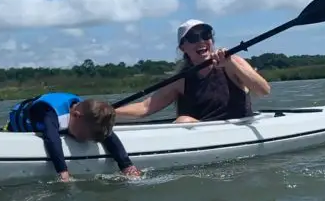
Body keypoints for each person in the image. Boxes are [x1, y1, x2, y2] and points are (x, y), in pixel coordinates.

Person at [115, 19, 271, 123]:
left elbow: (264, 90)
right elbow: (145, 107)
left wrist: (230, 64)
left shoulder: (232, 62)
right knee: (184, 120)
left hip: (236, 128)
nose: (201, 41)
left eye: (205, 35)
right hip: (201, 135)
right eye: (194, 38)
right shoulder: (181, 80)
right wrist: (109, 112)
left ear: (212, 40)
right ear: (183, 47)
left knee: (183, 120)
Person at [4, 92, 141, 180]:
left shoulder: (88, 116)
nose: (85, 140)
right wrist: (63, 171)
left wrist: (127, 166)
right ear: (76, 115)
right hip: (15, 128)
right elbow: (52, 138)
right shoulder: (51, 113)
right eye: (84, 134)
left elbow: (108, 135)